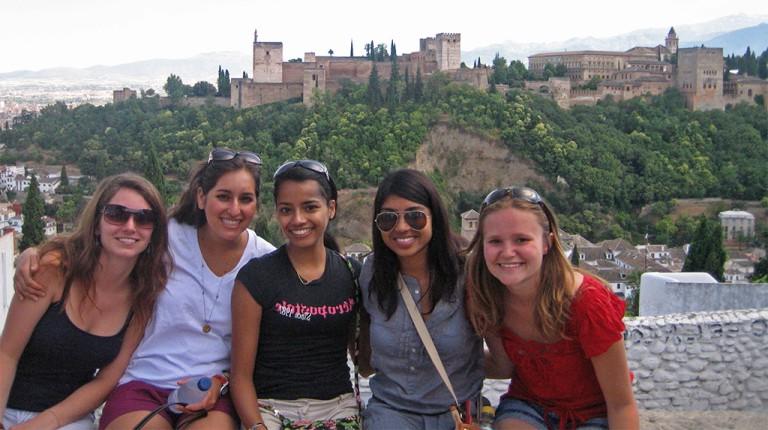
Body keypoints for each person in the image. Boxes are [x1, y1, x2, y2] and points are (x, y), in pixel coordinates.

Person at [14, 148, 275, 430]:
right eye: (223, 196)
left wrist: (221, 381)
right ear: (201, 197)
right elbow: (105, 244)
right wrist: (33, 254)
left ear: (257, 204)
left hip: (212, 391)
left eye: (245, 199)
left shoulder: (265, 261)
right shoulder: (166, 236)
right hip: (143, 381)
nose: (234, 209)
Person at [1, 173, 170, 430]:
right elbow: (7, 353)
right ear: (96, 223)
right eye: (116, 214)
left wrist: (43, 423)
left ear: (154, 232)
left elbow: (106, 380)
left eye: (144, 219)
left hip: (66, 419)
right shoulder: (54, 271)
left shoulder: (142, 298)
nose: (130, 226)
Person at [464, 186, 638, 430]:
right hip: (529, 406)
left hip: (593, 413)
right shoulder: (486, 295)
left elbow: (621, 404)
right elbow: (504, 366)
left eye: (521, 239)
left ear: (547, 242)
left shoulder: (587, 303)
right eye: (495, 241)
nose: (508, 252)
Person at [231, 159, 360, 430]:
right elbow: (240, 376)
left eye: (310, 207)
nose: (298, 219)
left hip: (337, 407)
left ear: (331, 208)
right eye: (286, 210)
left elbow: (367, 359)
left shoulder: (352, 275)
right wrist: (256, 426)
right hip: (269, 409)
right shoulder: (256, 278)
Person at [359, 168, 484, 430]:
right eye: (388, 219)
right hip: (391, 414)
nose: (402, 227)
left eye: (415, 216)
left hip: (459, 415)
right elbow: (363, 360)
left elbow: (502, 358)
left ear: (434, 217)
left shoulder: (468, 273)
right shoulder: (370, 274)